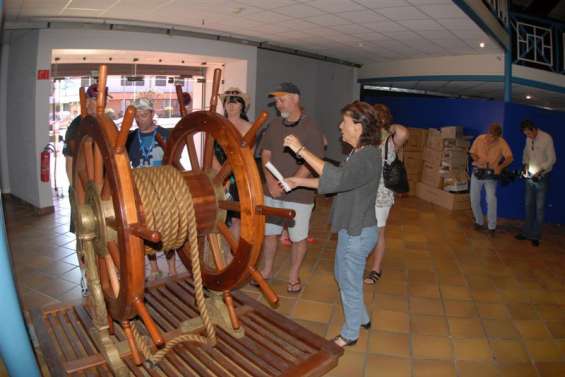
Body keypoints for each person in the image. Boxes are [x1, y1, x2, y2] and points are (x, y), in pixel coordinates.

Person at [283, 101, 383, 347]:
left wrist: (301, 150)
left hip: (357, 232)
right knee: (343, 275)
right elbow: (337, 182)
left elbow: (336, 177)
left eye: (344, 122)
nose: (340, 127)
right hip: (354, 231)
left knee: (348, 282)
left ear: (358, 127)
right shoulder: (359, 154)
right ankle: (362, 318)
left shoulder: (367, 156)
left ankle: (350, 334)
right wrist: (299, 181)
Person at [257, 82, 324, 293]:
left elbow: (311, 162)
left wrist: (291, 182)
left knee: (298, 237)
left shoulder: (311, 127)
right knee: (270, 233)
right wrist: (269, 181)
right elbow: (265, 153)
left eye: (281, 99)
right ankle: (266, 270)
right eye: (276, 100)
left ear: (295, 99)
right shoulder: (275, 125)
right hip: (272, 191)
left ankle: (294, 275)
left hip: (299, 195)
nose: (277, 104)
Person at [63, 83, 107, 296]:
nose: (97, 102)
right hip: (82, 190)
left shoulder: (106, 123)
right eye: (94, 99)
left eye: (101, 98)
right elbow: (69, 162)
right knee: (83, 234)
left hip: (101, 191)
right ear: (88, 101)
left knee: (104, 234)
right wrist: (77, 192)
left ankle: (104, 273)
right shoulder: (76, 126)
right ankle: (86, 276)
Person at [126, 97, 176, 279]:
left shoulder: (166, 134)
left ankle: (172, 268)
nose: (140, 120)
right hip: (141, 191)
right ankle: (154, 268)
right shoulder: (130, 137)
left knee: (168, 228)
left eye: (144, 115)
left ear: (152, 114)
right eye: (137, 116)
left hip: (163, 190)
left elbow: (174, 161)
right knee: (146, 228)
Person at [364, 104, 409, 285]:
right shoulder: (366, 139)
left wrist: (388, 128)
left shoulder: (390, 141)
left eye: (379, 118)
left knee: (378, 232)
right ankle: (360, 262)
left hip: (381, 195)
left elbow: (403, 132)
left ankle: (376, 268)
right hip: (364, 193)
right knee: (362, 231)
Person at [214, 87, 252, 240]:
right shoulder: (216, 124)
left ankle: (233, 253)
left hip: (239, 178)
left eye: (235, 102)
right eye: (228, 102)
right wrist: (221, 176)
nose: (231, 105)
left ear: (242, 105)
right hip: (217, 176)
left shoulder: (250, 127)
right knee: (217, 216)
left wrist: (232, 175)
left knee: (237, 217)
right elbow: (209, 152)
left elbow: (249, 156)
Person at [515, 120, 556, 247]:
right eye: (525, 134)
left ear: (534, 129)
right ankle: (526, 232)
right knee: (528, 205)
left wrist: (539, 171)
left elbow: (552, 159)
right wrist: (525, 165)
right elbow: (526, 154)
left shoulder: (546, 138)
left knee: (539, 207)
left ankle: (536, 235)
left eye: (529, 133)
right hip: (530, 176)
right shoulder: (528, 139)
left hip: (542, 177)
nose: (528, 136)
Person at [468, 123, 513, 236]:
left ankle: (492, 227)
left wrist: (500, 167)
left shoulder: (501, 142)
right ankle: (479, 221)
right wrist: (477, 159)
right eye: (491, 136)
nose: (492, 139)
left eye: (495, 137)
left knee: (491, 199)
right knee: (474, 199)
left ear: (498, 136)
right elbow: (472, 153)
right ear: (488, 132)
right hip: (477, 172)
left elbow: (510, 158)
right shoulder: (479, 138)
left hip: (491, 175)